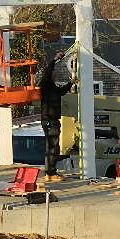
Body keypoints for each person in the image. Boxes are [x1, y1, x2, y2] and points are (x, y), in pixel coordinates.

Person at [37, 51, 76, 182]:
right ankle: (51, 173)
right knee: (53, 147)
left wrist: (71, 82)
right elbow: (47, 71)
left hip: (50, 120)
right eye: (54, 73)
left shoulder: (53, 88)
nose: (56, 74)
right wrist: (54, 59)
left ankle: (49, 173)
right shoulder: (46, 85)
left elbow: (62, 91)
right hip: (50, 121)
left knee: (51, 147)